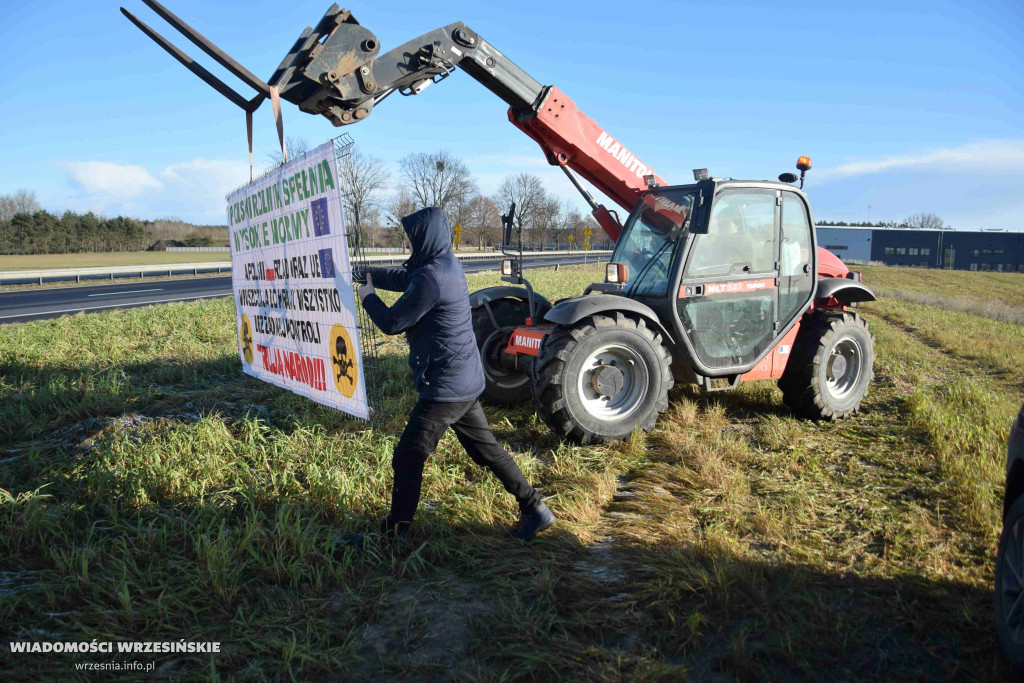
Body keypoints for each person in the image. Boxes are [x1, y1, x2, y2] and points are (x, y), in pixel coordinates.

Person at [355, 207, 555, 543]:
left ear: (425, 238)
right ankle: (535, 508)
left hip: (446, 387)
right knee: (487, 451)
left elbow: (392, 323)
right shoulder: (442, 265)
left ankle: (394, 535)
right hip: (463, 379)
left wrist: (368, 297)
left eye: (411, 238)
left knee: (407, 457)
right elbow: (403, 278)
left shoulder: (431, 278)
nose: (407, 244)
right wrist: (366, 273)